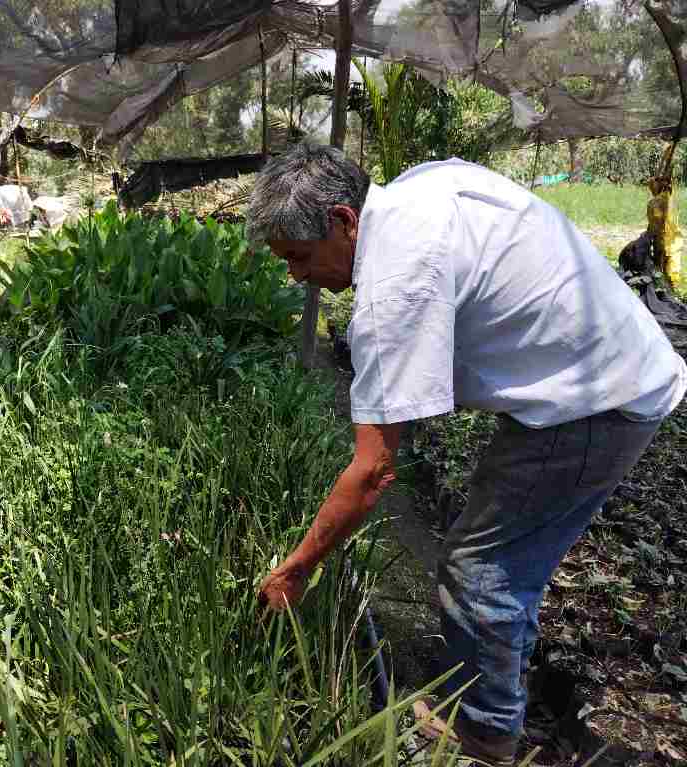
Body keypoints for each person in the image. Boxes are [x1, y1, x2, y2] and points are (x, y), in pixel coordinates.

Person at [248, 144, 687, 766]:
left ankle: (485, 735)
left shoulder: (393, 286)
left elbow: (373, 473)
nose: (296, 275)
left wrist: (296, 568)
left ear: (345, 221)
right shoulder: (415, 191)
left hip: (596, 400)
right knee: (503, 554)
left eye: (298, 257)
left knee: (480, 568)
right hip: (604, 369)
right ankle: (491, 686)